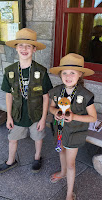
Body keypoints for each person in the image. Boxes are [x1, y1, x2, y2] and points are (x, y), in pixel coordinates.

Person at [0, 28, 53, 174]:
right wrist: (8, 116)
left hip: (36, 114)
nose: (24, 49)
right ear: (16, 48)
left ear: (34, 49)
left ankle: (37, 157)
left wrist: (43, 119)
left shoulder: (41, 71)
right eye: (20, 45)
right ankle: (10, 160)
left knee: (38, 138)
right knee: (12, 138)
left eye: (28, 46)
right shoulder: (10, 71)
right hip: (17, 114)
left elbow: (46, 96)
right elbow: (8, 95)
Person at [49, 53, 97, 200]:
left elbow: (93, 117)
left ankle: (69, 193)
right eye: (64, 72)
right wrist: (55, 111)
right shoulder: (57, 91)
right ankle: (63, 172)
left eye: (72, 72)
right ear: (60, 74)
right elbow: (51, 107)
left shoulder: (86, 95)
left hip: (75, 133)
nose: (68, 76)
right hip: (60, 130)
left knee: (71, 163)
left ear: (80, 74)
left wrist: (74, 116)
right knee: (61, 152)